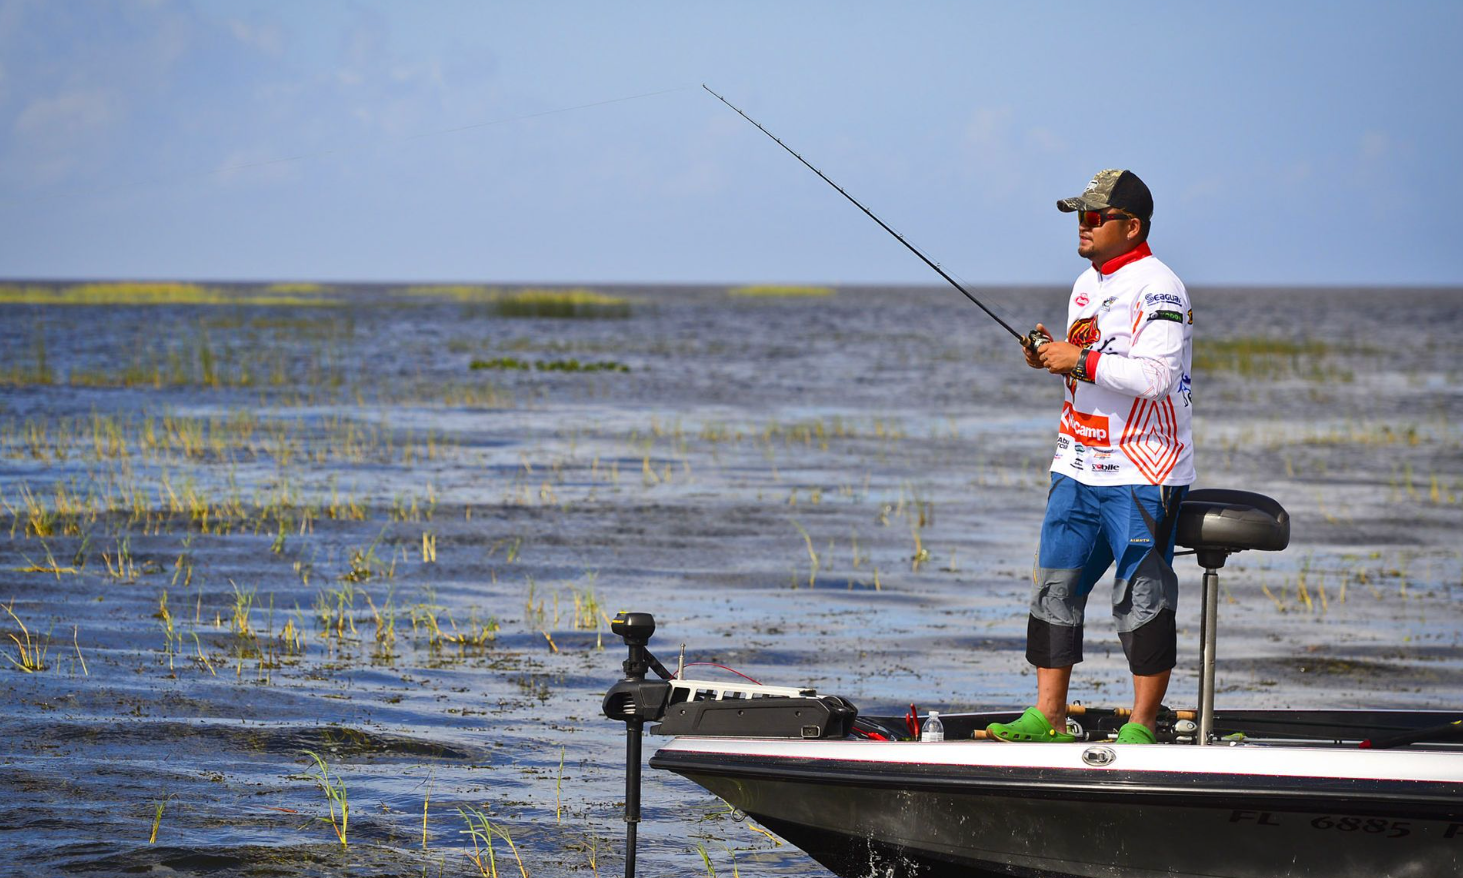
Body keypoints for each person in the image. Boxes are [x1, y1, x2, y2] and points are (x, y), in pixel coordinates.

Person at [987, 169, 1194, 745]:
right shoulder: (1084, 282)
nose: (1083, 224)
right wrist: (1048, 357)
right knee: (1054, 584)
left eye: (1095, 216)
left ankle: (1144, 725)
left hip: (1143, 469)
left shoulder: (1160, 287)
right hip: (1076, 464)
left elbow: (1157, 376)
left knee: (1141, 596)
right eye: (1080, 214)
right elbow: (1085, 358)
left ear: (1131, 226)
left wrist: (1075, 360)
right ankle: (1048, 717)